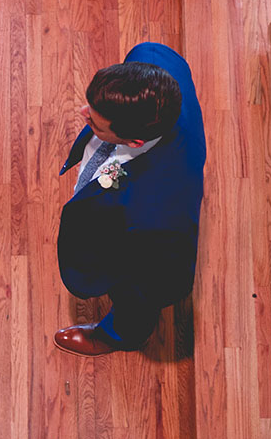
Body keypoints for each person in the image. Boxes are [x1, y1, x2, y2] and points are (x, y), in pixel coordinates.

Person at [53, 42, 205, 356]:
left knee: (136, 300)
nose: (83, 115)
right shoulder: (151, 57)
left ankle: (120, 336)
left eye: (94, 122)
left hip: (147, 259)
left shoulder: (156, 215)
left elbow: (163, 281)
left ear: (136, 141)